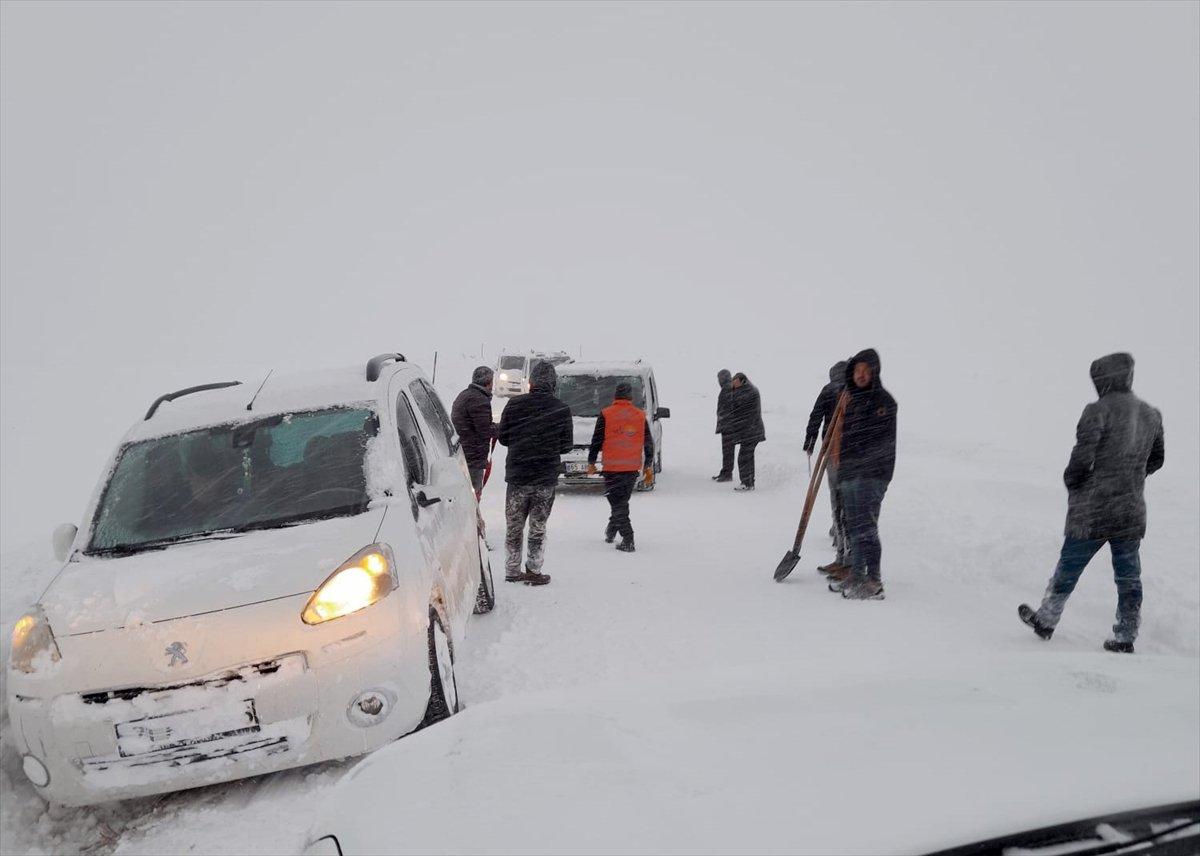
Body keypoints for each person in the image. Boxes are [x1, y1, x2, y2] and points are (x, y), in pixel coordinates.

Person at [1018, 353, 1164, 653]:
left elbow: (1082, 456)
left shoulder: (1097, 410)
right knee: (1128, 576)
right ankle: (1125, 635)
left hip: (1093, 509)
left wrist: (1075, 482)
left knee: (1069, 566)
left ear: (1104, 380)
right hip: (1130, 509)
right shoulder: (1151, 414)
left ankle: (1046, 620)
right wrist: (1132, 476)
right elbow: (1157, 459)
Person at [827, 349, 896, 600]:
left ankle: (874, 581)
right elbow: (845, 441)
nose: (862, 375)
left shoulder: (883, 402)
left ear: (874, 373)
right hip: (851, 474)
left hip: (872, 475)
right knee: (855, 528)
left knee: (866, 528)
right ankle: (856, 575)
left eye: (867, 371)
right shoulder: (851, 400)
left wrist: (864, 468)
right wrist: (844, 472)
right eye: (858, 371)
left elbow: (879, 442)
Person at [497, 360, 573, 585]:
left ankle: (512, 570)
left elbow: (503, 438)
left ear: (530, 382)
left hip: (518, 477)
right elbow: (566, 446)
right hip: (545, 478)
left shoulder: (514, 404)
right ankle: (533, 571)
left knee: (514, 526)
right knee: (538, 527)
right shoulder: (561, 409)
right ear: (553, 383)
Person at [587, 382, 655, 552]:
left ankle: (628, 539)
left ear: (615, 396)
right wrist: (647, 465)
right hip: (631, 469)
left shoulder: (606, 414)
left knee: (618, 504)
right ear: (630, 397)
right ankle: (611, 531)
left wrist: (591, 462)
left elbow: (596, 440)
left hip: (612, 468)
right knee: (621, 502)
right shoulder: (640, 416)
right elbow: (649, 444)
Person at [805, 360, 849, 577]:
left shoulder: (832, 389)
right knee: (844, 498)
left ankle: (843, 547)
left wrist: (810, 441)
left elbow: (815, 415)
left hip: (833, 448)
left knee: (837, 496)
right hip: (843, 450)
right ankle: (842, 545)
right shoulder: (850, 390)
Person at [451, 366, 498, 500]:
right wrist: (501, 428)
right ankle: (472, 517)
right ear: (488, 382)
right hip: (473, 456)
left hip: (463, 452)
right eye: (492, 382)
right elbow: (485, 430)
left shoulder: (465, 394)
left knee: (464, 493)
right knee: (473, 496)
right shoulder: (479, 400)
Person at [726, 372, 766, 491]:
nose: (733, 384)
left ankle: (747, 482)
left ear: (742, 380)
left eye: (735, 382)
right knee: (747, 456)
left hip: (751, 431)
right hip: (750, 431)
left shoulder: (748, 392)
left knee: (744, 457)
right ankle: (748, 482)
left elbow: (737, 407)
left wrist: (732, 392)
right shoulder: (746, 390)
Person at [712, 369, 735, 482]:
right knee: (727, 451)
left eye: (719, 378)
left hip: (729, 426)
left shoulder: (727, 389)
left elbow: (727, 409)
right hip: (729, 425)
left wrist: (724, 421)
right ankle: (725, 472)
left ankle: (727, 473)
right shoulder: (730, 388)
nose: (718, 381)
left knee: (727, 451)